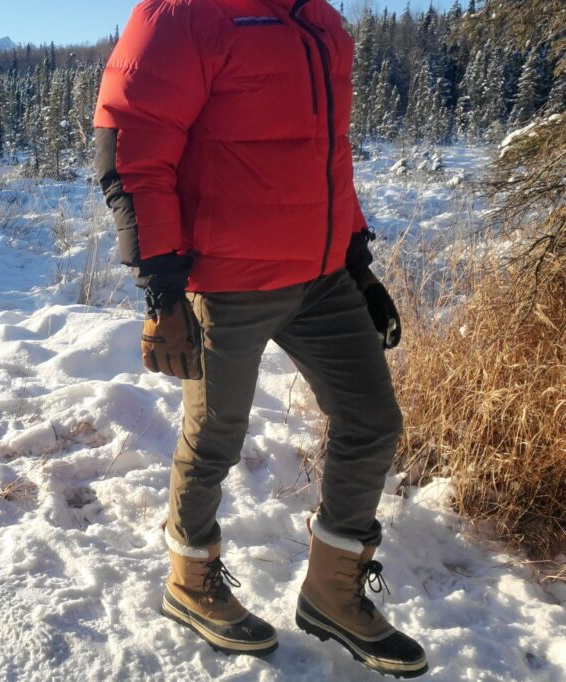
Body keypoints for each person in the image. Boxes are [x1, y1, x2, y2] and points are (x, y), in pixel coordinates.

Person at [93, 0, 427, 677]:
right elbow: (132, 152)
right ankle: (190, 579)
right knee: (216, 433)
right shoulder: (184, 14)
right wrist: (163, 292)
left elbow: (325, 152)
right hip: (225, 282)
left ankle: (332, 591)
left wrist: (356, 261)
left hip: (323, 277)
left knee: (372, 420)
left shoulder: (320, 21)